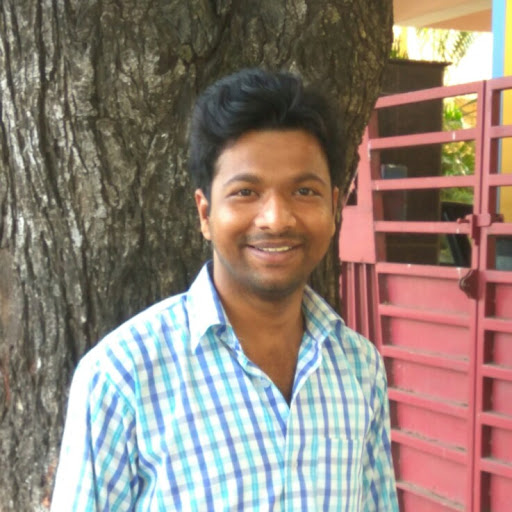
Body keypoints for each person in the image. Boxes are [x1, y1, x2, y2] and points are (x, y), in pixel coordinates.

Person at [51, 68, 398, 511]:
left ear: (333, 207)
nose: (276, 219)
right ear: (205, 213)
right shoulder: (121, 378)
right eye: (246, 192)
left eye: (304, 191)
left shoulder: (359, 367)